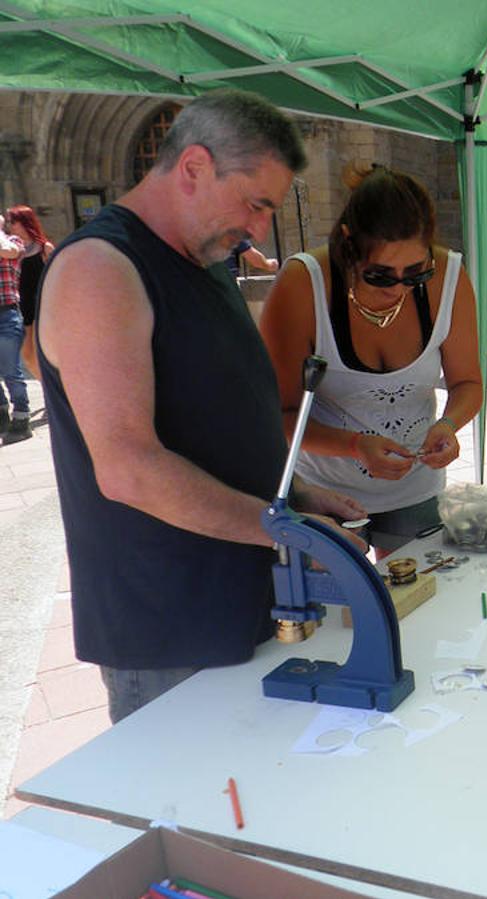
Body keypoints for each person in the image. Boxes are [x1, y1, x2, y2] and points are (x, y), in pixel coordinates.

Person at [36, 89, 367, 724]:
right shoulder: (101, 270)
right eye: (256, 202)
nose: (261, 227)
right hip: (169, 630)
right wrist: (286, 528)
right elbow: (128, 467)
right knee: (192, 821)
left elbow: (219, 417)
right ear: (193, 168)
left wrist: (294, 494)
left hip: (251, 604)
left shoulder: (204, 254)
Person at [260, 164, 482, 556]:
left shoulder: (449, 276)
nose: (399, 289)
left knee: (425, 605)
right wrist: (354, 445)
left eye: (415, 274)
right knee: (340, 614)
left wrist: (448, 424)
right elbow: (278, 416)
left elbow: (468, 384)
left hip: (417, 491)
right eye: (380, 276)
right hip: (326, 496)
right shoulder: (302, 285)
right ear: (349, 244)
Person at [5, 205, 53, 381]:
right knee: (26, 354)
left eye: (13, 221)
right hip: (21, 303)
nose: (10, 225)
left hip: (42, 303)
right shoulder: (11, 247)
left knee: (43, 352)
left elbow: (57, 274)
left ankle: (54, 393)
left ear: (25, 222)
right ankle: (48, 388)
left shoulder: (44, 248)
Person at [0, 215, 30, 444]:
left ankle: (21, 417)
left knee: (11, 370)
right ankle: (2, 411)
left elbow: (8, 251)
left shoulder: (13, 242)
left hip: (7, 313)